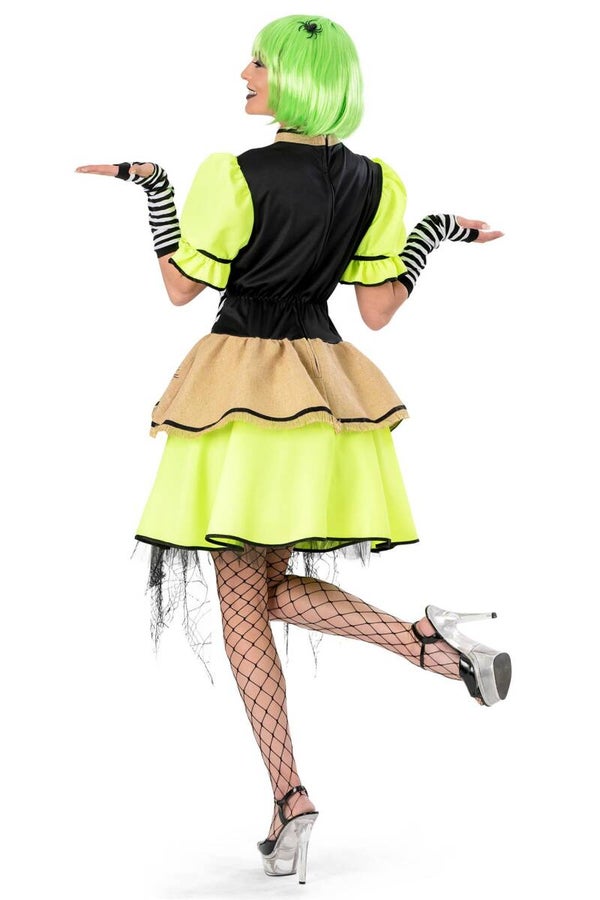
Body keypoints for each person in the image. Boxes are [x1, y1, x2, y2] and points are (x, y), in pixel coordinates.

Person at [75, 13, 510, 885]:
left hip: (240, 393)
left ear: (298, 79)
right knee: (260, 593)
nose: (245, 73)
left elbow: (180, 287)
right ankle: (418, 658)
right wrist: (433, 233)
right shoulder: (375, 182)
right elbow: (378, 309)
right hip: (322, 394)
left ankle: (299, 790)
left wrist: (154, 188)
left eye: (261, 64)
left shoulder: (232, 173)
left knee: (244, 602)